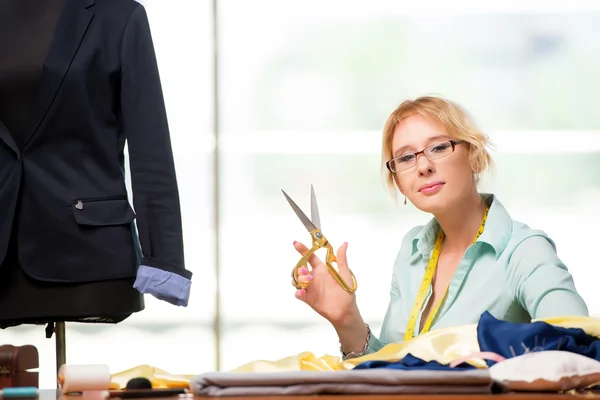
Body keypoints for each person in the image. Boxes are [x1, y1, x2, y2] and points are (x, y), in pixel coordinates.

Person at [291, 95, 589, 360]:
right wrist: (346, 319)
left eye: (438, 147)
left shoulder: (524, 251)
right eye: (406, 157)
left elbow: (578, 347)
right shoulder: (412, 251)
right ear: (399, 182)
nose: (423, 166)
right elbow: (397, 371)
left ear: (475, 156)